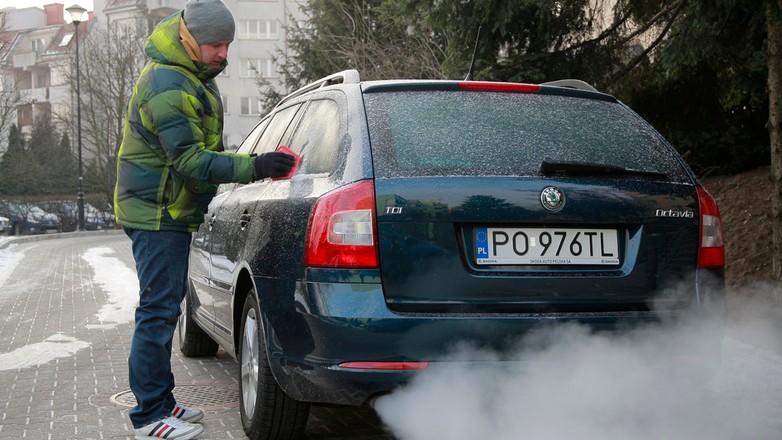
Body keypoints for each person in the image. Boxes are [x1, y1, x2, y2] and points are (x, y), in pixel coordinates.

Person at [113, 0, 294, 438]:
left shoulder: (188, 75)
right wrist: (256, 166)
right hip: (156, 212)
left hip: (167, 209)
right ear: (190, 38)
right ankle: (149, 417)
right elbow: (190, 160)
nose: (223, 54)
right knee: (157, 312)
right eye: (215, 44)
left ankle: (163, 402)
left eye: (228, 44)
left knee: (165, 307)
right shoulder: (168, 81)